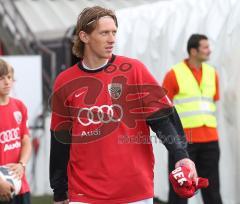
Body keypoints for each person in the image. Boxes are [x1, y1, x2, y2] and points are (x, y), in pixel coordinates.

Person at [50, 6, 197, 204]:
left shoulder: (134, 70)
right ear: (84, 36)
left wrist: (181, 155)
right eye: (104, 33)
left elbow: (163, 117)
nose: (112, 39)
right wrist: (60, 190)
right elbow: (60, 139)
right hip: (84, 194)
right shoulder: (64, 81)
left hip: (135, 191)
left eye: (114, 32)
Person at [163, 34, 223, 204]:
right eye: (205, 47)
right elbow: (163, 108)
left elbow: (212, 102)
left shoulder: (213, 73)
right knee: (180, 190)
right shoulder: (174, 74)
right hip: (184, 143)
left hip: (211, 140)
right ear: (193, 51)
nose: (209, 50)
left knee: (212, 189)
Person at [0, 59, 32, 204]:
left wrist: (21, 164)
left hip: (20, 186)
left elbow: (26, 141)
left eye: (9, 77)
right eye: (1, 78)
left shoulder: (19, 106)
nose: (7, 82)